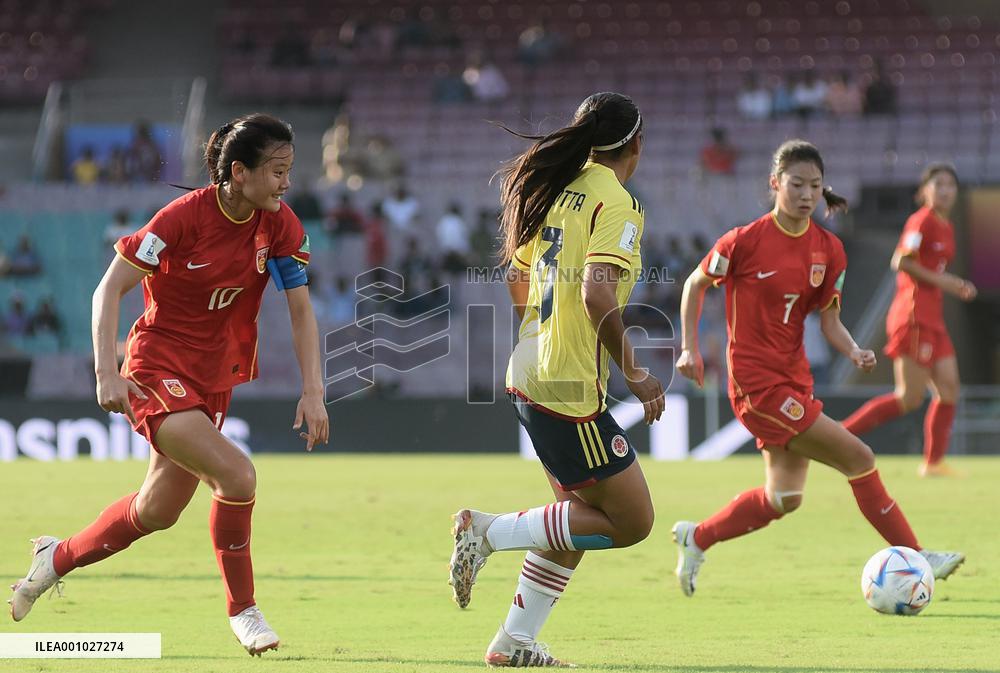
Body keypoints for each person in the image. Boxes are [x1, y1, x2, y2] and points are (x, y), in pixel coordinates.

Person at [7, 113, 329, 657]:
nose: (286, 183)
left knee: (156, 511)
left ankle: (53, 559)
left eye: (288, 170)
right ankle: (244, 610)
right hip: (157, 367)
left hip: (214, 377)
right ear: (237, 172)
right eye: (276, 170)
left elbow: (300, 311)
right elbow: (107, 290)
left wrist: (314, 390)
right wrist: (106, 372)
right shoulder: (183, 218)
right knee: (238, 474)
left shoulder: (279, 225)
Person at [671, 140, 964, 600]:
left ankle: (698, 538)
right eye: (797, 184)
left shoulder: (828, 249)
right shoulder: (743, 241)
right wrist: (688, 348)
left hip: (795, 379)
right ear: (775, 184)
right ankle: (917, 554)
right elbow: (695, 283)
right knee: (860, 458)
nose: (807, 194)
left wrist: (852, 350)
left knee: (782, 499)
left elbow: (829, 319)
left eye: (815, 186)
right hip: (756, 385)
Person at [448, 92, 664, 667]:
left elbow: (518, 274)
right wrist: (638, 374)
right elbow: (597, 292)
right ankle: (487, 531)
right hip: (568, 389)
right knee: (632, 522)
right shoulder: (615, 201)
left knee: (574, 519)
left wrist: (533, 334)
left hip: (529, 371)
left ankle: (513, 642)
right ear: (637, 144)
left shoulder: (553, 186)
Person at [842, 164, 976, 476]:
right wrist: (946, 283)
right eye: (938, 184)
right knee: (909, 398)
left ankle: (933, 462)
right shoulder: (921, 221)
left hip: (934, 318)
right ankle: (834, 435)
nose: (945, 190)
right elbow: (900, 261)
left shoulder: (946, 224)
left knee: (950, 389)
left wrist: (947, 284)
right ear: (923, 191)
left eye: (950, 184)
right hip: (913, 316)